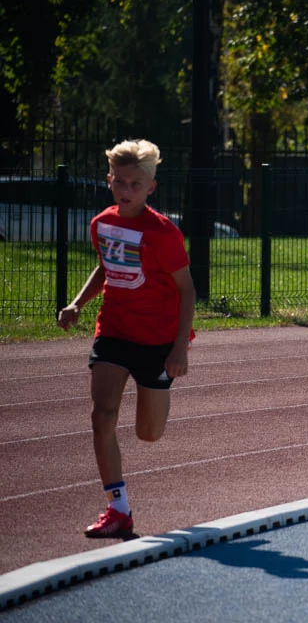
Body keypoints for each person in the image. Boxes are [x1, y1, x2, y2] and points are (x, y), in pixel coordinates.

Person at [56, 139, 196, 538]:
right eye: (120, 181)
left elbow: (187, 290)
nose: (126, 190)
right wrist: (77, 303)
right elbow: (106, 266)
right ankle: (117, 508)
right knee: (101, 416)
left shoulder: (163, 233)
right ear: (109, 181)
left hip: (157, 340)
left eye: (135, 184)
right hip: (114, 331)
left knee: (148, 434)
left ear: (151, 187)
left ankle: (158, 391)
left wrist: (179, 347)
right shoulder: (101, 223)